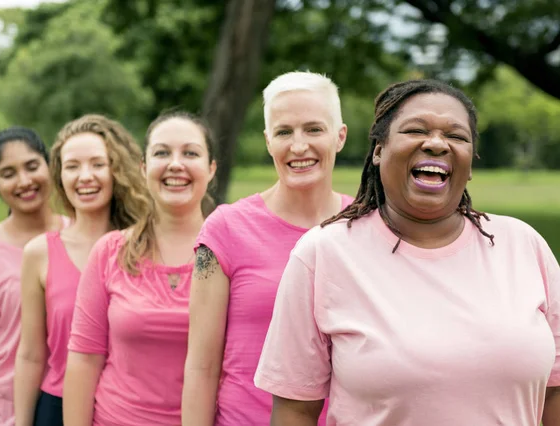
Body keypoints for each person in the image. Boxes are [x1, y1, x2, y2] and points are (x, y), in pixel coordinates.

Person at [253, 79, 560, 426]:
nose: (436, 143)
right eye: (415, 130)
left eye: (456, 136)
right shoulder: (324, 254)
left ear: (470, 163)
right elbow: (295, 411)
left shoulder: (523, 245)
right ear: (378, 151)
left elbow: (555, 392)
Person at [181, 71, 354, 426]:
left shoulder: (368, 228)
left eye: (314, 129)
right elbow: (201, 366)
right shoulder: (225, 229)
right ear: (267, 141)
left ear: (340, 137)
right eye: (284, 132)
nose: (299, 145)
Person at [63, 111, 217, 426]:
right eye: (162, 153)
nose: (176, 164)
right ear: (144, 168)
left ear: (211, 168)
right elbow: (84, 358)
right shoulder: (109, 252)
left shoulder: (229, 254)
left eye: (190, 153)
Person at [14, 114, 149, 426]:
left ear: (118, 171)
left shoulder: (146, 248)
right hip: (56, 410)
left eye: (97, 164)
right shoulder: (39, 253)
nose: (84, 176)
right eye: (72, 166)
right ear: (60, 176)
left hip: (127, 411)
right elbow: (31, 355)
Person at [0, 127, 70, 426]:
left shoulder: (81, 236)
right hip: (9, 414)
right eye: (8, 173)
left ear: (50, 166)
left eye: (32, 166)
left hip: (76, 407)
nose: (24, 181)